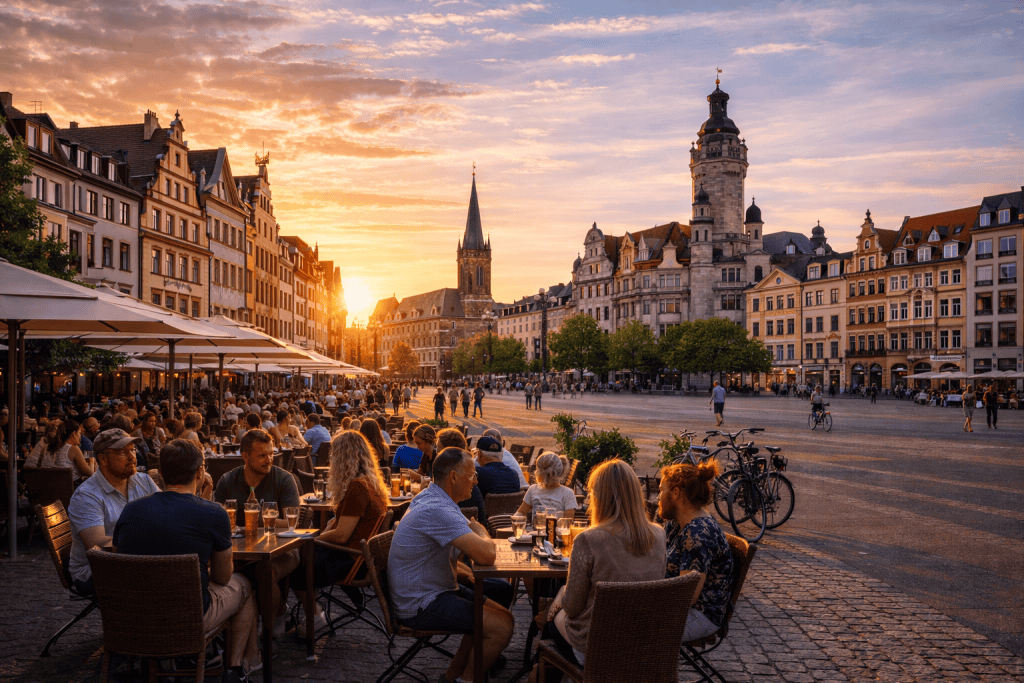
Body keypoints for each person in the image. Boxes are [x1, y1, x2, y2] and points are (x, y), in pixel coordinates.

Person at [113, 439, 259, 681]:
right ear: (201, 471)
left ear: (160, 474)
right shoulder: (213, 513)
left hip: (134, 615)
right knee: (243, 584)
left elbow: (121, 558)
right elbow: (223, 577)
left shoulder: (131, 510)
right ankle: (234, 668)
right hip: (187, 617)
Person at [531, 460, 666, 682]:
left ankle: (539, 671)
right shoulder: (659, 535)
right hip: (642, 644)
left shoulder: (589, 540)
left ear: (600, 497)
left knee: (552, 621)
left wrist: (555, 607)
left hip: (599, 647)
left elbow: (573, 608)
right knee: (558, 604)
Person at [389, 447, 514, 683]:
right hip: (420, 603)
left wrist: (475, 540)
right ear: (454, 476)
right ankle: (465, 680)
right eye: (471, 475)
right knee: (502, 626)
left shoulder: (434, 498)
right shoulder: (438, 509)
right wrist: (481, 531)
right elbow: (486, 554)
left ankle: (453, 676)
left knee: (502, 614)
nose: (476, 481)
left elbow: (465, 552)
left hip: (430, 590)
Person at [290, 431, 389, 637]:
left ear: (343, 456)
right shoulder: (370, 484)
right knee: (298, 559)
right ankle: (304, 615)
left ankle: (314, 616)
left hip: (349, 560)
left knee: (293, 570)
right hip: (361, 559)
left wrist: (310, 539)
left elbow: (341, 535)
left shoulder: (357, 487)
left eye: (335, 453)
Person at [214, 429, 301, 636]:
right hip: (240, 551)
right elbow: (215, 519)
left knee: (265, 570)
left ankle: (271, 628)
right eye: (262, 455)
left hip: (284, 550)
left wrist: (262, 519)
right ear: (245, 456)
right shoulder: (228, 481)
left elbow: (293, 523)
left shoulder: (283, 479)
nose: (269, 460)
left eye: (271, 454)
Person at [66, 428, 161, 596]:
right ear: (102, 458)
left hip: (140, 562)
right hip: (94, 571)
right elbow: (97, 546)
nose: (133, 457)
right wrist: (146, 545)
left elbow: (166, 513)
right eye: (122, 453)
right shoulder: (87, 496)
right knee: (170, 578)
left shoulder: (143, 481)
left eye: (132, 450)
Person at [658, 461, 734, 642]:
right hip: (678, 607)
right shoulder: (677, 524)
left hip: (701, 615)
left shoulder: (698, 532)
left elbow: (688, 595)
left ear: (676, 493)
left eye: (661, 490)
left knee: (629, 625)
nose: (658, 497)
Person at [26, 418, 94, 483]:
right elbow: (90, 474)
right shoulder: (74, 448)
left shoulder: (45, 448)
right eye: (79, 433)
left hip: (46, 491)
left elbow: (39, 468)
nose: (80, 436)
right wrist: (91, 461)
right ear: (73, 433)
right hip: (70, 492)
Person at [515, 452, 577, 519]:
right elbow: (521, 512)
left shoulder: (567, 493)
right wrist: (515, 519)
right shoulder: (533, 489)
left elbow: (569, 522)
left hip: (555, 529)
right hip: (537, 528)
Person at [473, 437, 521, 501]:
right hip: (511, 511)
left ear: (479, 454)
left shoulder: (478, 473)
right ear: (501, 455)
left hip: (485, 510)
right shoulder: (514, 474)